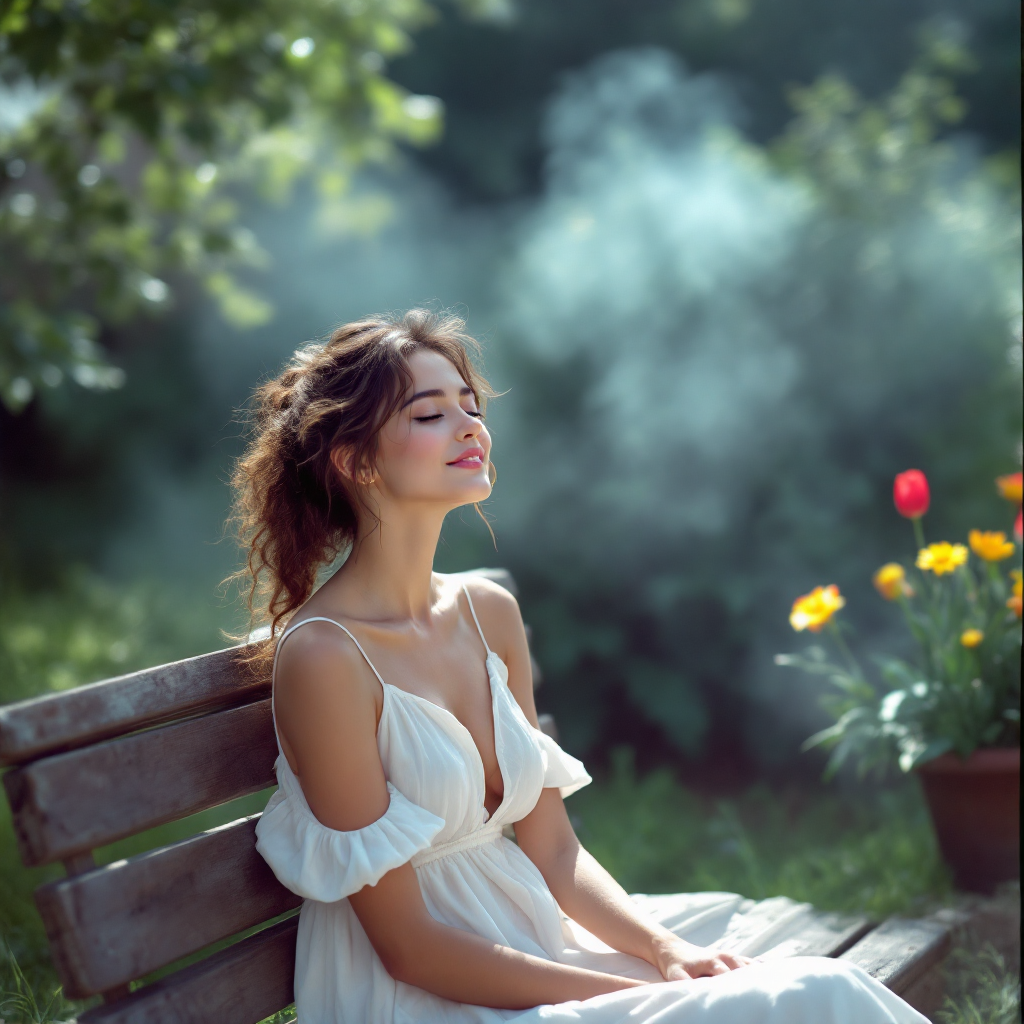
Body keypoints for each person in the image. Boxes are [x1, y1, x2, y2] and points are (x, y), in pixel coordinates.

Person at [233, 309, 929, 1023]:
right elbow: (409, 948)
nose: (471, 426)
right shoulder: (326, 656)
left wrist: (664, 954)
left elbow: (553, 847)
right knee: (815, 994)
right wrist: (635, 994)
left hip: (531, 941)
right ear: (356, 461)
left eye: (471, 407)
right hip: (427, 997)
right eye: (431, 414)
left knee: (787, 977)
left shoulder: (484, 610)